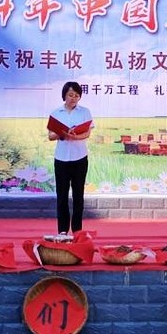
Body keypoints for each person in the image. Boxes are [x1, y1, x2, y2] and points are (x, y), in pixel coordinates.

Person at [47, 81, 93, 240]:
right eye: (70, 95)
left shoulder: (85, 112)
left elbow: (87, 133)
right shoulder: (56, 113)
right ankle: (62, 231)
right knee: (62, 196)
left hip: (80, 158)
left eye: (77, 95)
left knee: (78, 195)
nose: (73, 98)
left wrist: (74, 136)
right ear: (64, 95)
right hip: (61, 158)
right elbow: (50, 136)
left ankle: (77, 231)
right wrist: (63, 133)